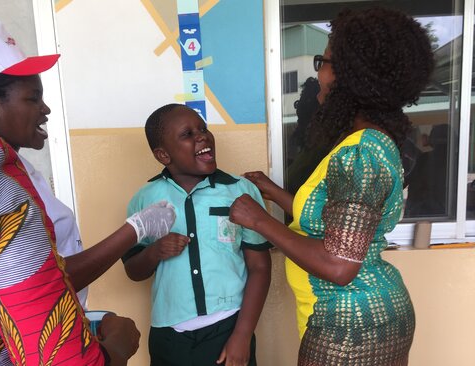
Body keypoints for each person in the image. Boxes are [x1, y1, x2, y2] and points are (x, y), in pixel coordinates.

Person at [229, 7, 434, 366]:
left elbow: (339, 266)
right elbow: (334, 224)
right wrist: (274, 192)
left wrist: (260, 221)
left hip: (349, 325)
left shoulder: (359, 154)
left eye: (323, 61)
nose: (319, 72)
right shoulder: (370, 142)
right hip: (365, 312)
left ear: (347, 75)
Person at [0, 19, 175, 365]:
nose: (45, 109)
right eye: (33, 98)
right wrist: (110, 354)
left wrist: (90, 321)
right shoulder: (4, 190)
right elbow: (37, 304)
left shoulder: (15, 168)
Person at [122, 103, 272, 366]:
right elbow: (134, 271)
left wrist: (243, 334)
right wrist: (155, 251)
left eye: (203, 128)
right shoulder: (144, 199)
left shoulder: (240, 191)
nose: (201, 136)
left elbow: (260, 267)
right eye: (187, 134)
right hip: (169, 338)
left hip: (228, 328)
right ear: (163, 155)